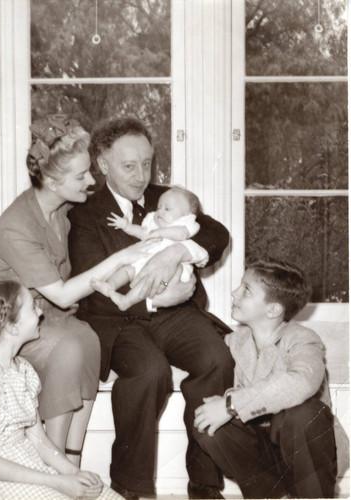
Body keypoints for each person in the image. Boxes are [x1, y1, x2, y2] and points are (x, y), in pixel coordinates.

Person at [0, 114, 157, 465]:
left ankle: (72, 455)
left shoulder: (65, 204)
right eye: (82, 176)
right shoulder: (16, 226)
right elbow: (64, 294)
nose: (91, 180)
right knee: (69, 347)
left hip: (47, 317)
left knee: (89, 339)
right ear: (52, 181)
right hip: (4, 323)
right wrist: (124, 256)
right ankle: (53, 463)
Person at [68, 116, 234, 500]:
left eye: (147, 163)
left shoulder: (168, 200)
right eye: (129, 166)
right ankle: (131, 487)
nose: (141, 175)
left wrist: (177, 249)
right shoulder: (83, 212)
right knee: (148, 371)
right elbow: (92, 291)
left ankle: (204, 484)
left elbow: (216, 233)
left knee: (217, 360)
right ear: (103, 164)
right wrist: (155, 299)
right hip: (119, 318)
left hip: (177, 316)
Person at [0, 280, 124, 500]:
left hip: (25, 460)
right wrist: (59, 483)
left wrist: (74, 473)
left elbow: (38, 440)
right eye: (33, 307)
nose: (40, 312)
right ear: (13, 327)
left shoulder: (23, 369)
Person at [194, 258, 338, 498]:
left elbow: (301, 382)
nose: (234, 293)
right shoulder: (233, 342)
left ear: (273, 310)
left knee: (301, 413)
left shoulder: (303, 339)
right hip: (264, 456)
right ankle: (273, 495)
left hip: (306, 457)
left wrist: (232, 404)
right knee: (207, 422)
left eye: (246, 290)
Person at [91, 186, 208, 311]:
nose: (160, 211)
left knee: (147, 281)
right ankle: (109, 286)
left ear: (185, 216)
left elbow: (181, 235)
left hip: (170, 274)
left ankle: (126, 301)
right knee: (126, 270)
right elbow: (143, 232)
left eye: (167, 209)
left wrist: (159, 233)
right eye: (159, 207)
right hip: (144, 262)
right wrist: (127, 226)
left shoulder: (185, 225)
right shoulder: (153, 222)